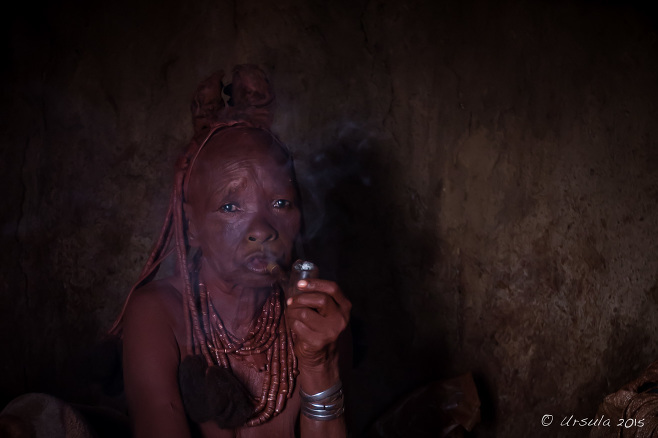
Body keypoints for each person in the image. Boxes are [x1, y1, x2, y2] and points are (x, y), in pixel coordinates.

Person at [110, 66, 351, 438]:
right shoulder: (159, 314)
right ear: (192, 226)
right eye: (230, 207)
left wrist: (321, 366)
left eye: (281, 202)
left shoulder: (316, 321)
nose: (261, 230)